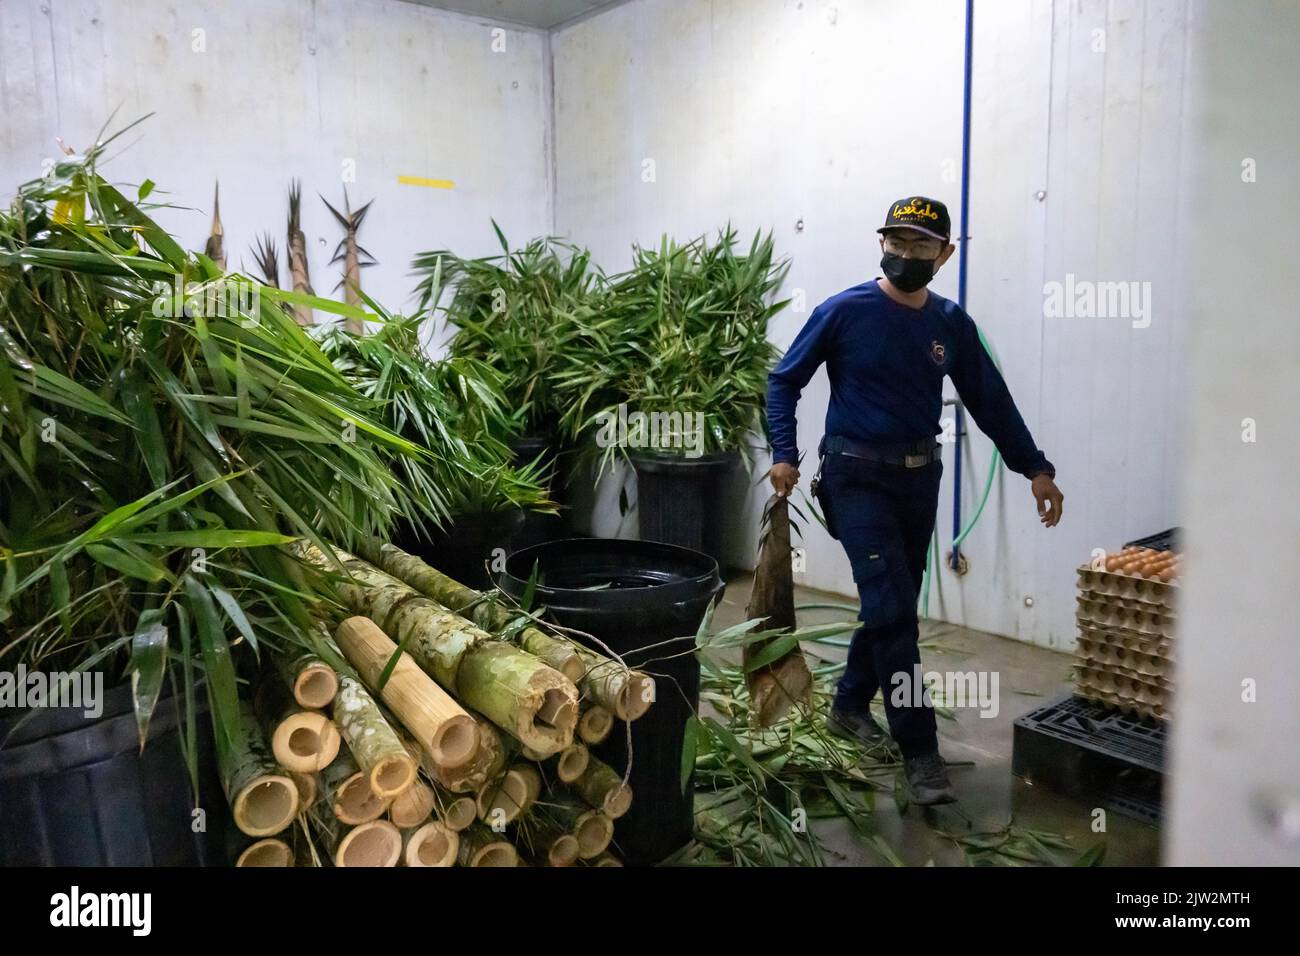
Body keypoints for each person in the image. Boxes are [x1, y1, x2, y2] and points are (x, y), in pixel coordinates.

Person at [765, 195, 1064, 805]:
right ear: (882, 245)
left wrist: (1033, 466)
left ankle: (849, 706)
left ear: (944, 254)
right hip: (854, 478)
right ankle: (920, 751)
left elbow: (991, 401)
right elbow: (784, 380)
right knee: (896, 612)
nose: (904, 255)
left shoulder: (948, 323)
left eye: (920, 247)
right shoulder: (843, 311)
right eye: (895, 244)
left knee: (889, 603)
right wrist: (784, 453)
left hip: (918, 480)